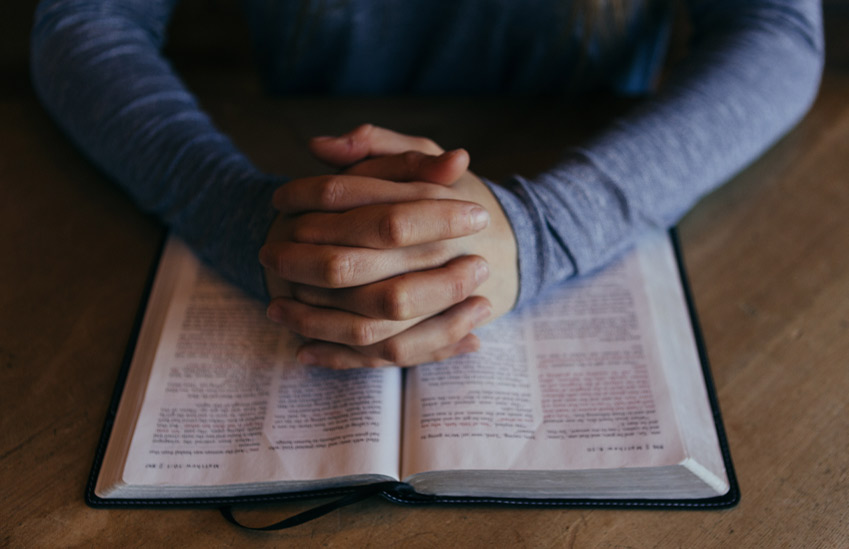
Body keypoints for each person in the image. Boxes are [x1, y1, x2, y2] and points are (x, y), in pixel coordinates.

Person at [30, 0, 824, 368]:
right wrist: (253, 219)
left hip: (584, 163)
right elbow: (82, 23)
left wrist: (542, 230)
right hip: (300, 174)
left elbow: (777, 29)